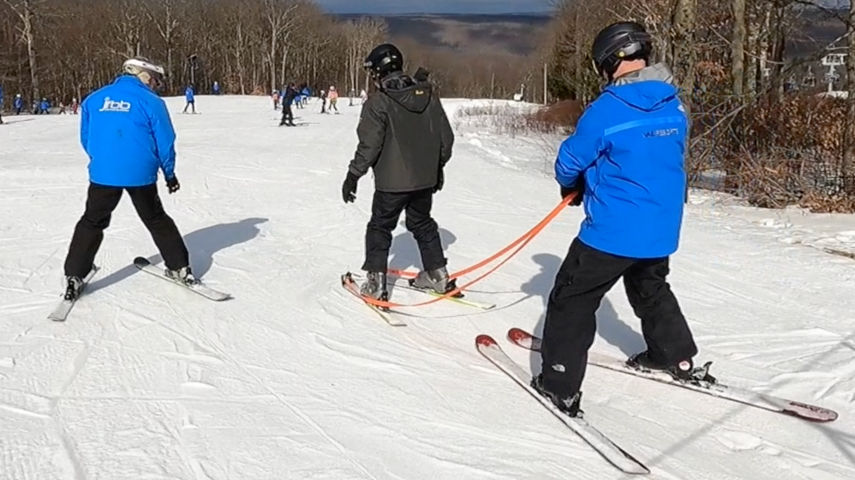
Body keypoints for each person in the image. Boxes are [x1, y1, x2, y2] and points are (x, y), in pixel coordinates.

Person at [531, 22, 702, 418]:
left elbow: (569, 160)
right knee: (650, 288)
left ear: (608, 62)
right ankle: (673, 355)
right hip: (660, 227)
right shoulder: (674, 105)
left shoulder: (607, 109)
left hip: (613, 230)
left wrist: (572, 183)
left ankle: (559, 383)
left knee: (572, 298)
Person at [61, 56, 194, 301]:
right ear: (145, 76)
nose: (156, 85)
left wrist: (102, 160)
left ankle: (74, 275)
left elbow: (86, 138)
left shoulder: (94, 99)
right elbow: (165, 142)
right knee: (155, 218)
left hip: (103, 174)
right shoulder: (151, 102)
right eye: (156, 80)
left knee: (92, 221)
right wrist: (170, 173)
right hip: (140, 172)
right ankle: (179, 267)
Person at [341, 43, 455, 301]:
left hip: (392, 184)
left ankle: (376, 283)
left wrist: (353, 176)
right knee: (422, 223)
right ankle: (438, 275)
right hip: (424, 181)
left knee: (380, 227)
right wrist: (436, 169)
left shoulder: (379, 102)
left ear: (379, 70)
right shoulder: (428, 96)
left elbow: (370, 145)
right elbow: (446, 140)